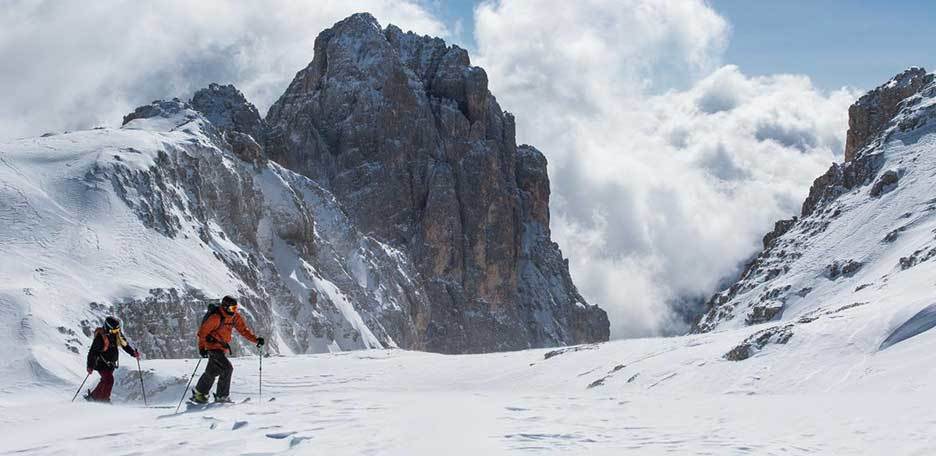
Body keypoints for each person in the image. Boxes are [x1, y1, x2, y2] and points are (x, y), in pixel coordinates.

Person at [191, 296, 265, 403]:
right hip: (213, 347)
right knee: (227, 368)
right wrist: (202, 348)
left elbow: (243, 330)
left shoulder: (234, 317)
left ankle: (199, 393)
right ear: (225, 307)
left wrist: (256, 340)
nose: (234, 310)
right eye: (232, 308)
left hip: (222, 348)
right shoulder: (215, 318)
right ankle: (222, 396)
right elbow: (202, 333)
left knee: (212, 371)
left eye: (235, 308)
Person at [85, 316, 140, 402]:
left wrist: (133, 353)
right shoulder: (100, 338)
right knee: (109, 380)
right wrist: (90, 366)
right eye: (114, 330)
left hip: (111, 364)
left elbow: (124, 345)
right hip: (101, 363)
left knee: (105, 381)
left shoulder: (117, 334)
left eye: (117, 330)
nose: (116, 332)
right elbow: (93, 352)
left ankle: (93, 397)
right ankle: (104, 401)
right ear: (108, 328)